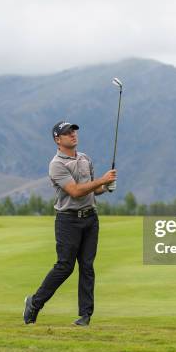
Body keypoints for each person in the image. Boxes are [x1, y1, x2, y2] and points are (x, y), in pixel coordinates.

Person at [23, 121, 117, 326]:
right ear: (58, 139)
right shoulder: (57, 164)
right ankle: (35, 303)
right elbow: (75, 191)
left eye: (73, 131)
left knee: (87, 267)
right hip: (68, 220)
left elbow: (92, 190)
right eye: (67, 133)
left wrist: (106, 186)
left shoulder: (84, 159)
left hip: (90, 218)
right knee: (65, 266)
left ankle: (85, 316)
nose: (73, 134)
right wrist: (101, 180)